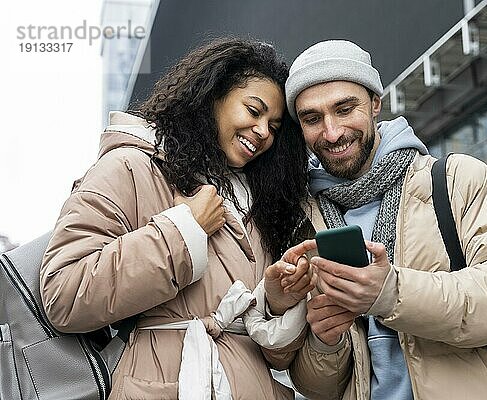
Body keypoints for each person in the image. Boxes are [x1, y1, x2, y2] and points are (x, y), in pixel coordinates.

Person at [40, 38, 314, 399]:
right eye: (253, 110)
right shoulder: (131, 167)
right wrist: (184, 231)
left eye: (274, 126)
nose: (263, 131)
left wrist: (276, 302)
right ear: (213, 95)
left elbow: (278, 359)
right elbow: (65, 293)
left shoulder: (262, 205)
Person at [283, 40, 487, 399]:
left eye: (345, 109)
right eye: (312, 119)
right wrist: (325, 343)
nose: (331, 132)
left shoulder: (455, 180)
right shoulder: (304, 223)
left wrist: (391, 294)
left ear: (375, 103)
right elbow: (316, 386)